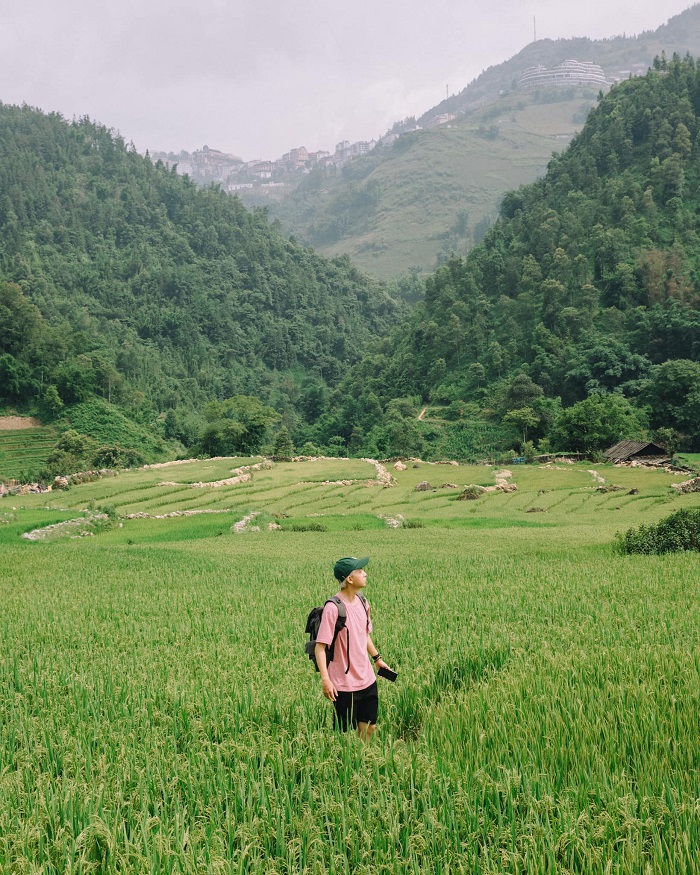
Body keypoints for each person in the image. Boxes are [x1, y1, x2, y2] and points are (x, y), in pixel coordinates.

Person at [315, 556, 393, 740]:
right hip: (343, 684)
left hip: (367, 679)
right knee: (344, 735)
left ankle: (363, 761)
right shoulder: (333, 608)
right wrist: (326, 680)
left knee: (369, 728)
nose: (365, 574)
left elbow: (363, 635)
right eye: (360, 571)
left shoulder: (363, 602)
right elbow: (320, 648)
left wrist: (377, 659)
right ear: (349, 579)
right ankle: (347, 765)